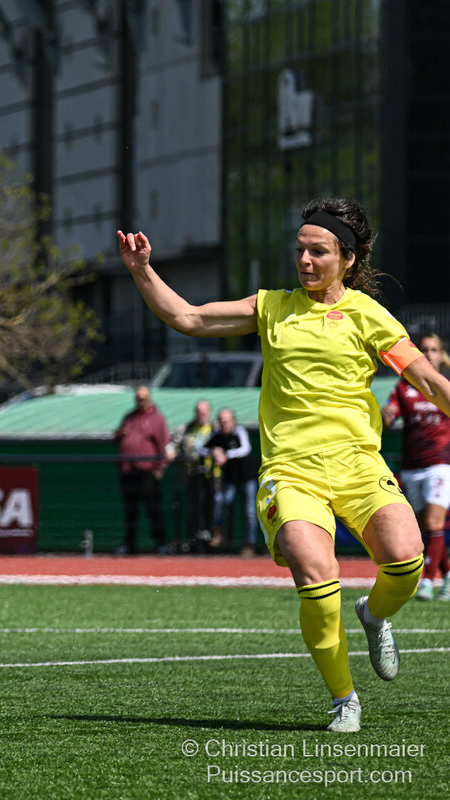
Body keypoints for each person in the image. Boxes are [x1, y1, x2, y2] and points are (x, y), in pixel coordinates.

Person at [118, 197, 449, 733]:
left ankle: (374, 615)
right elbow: (188, 317)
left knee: (408, 561)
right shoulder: (272, 307)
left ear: (347, 258)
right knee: (317, 576)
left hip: (359, 465)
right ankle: (344, 700)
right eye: (299, 250)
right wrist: (141, 270)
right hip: (290, 472)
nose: (305, 261)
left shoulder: (368, 315)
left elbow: (429, 381)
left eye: (318, 251)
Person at [382, 332, 450, 601]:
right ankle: (447, 575)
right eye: (424, 349)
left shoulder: (445, 386)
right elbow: (390, 416)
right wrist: (385, 416)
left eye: (434, 349)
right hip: (412, 465)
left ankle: (427, 582)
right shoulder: (404, 386)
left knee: (434, 522)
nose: (429, 354)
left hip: (440, 463)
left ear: (441, 355)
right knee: (427, 528)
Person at [114, 385, 172, 555]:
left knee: (153, 509)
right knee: (130, 511)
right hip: (128, 471)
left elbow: (164, 445)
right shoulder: (129, 417)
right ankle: (129, 544)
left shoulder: (157, 419)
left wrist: (160, 468)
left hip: (147, 472)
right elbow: (116, 438)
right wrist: (121, 434)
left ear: (149, 399)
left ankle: (160, 543)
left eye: (143, 398)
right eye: (138, 399)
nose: (141, 402)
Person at [199, 407, 260, 557]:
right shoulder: (217, 435)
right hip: (230, 479)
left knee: (250, 511)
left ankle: (250, 544)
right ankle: (220, 537)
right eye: (221, 421)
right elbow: (201, 449)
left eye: (226, 421)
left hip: (247, 477)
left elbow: (245, 449)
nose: (224, 424)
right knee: (221, 501)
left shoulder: (240, 432)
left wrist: (225, 454)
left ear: (233, 421)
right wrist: (214, 452)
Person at [172, 399, 215, 552]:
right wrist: (170, 451)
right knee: (193, 509)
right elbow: (174, 444)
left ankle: (211, 541)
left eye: (204, 411)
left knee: (212, 507)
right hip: (192, 475)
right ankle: (194, 542)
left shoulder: (215, 428)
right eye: (198, 411)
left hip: (213, 477)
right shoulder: (187, 429)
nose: (201, 414)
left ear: (209, 412)